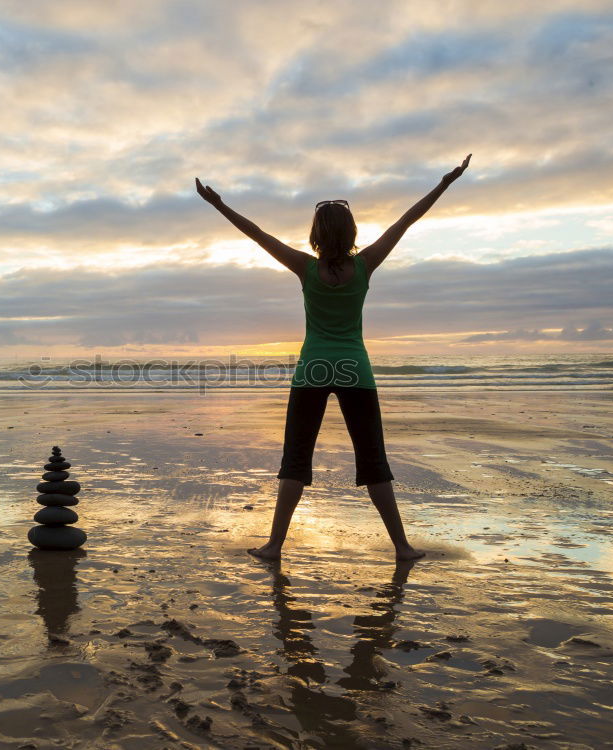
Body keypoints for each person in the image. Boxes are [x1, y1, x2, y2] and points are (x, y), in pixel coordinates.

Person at [195, 154, 471, 561]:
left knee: (296, 458)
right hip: (355, 369)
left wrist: (217, 204)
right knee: (373, 459)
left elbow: (257, 234)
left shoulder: (304, 267)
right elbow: (405, 222)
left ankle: (274, 546)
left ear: (316, 234)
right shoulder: (365, 265)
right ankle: (402, 546)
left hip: (313, 370)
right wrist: (446, 182)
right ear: (351, 230)